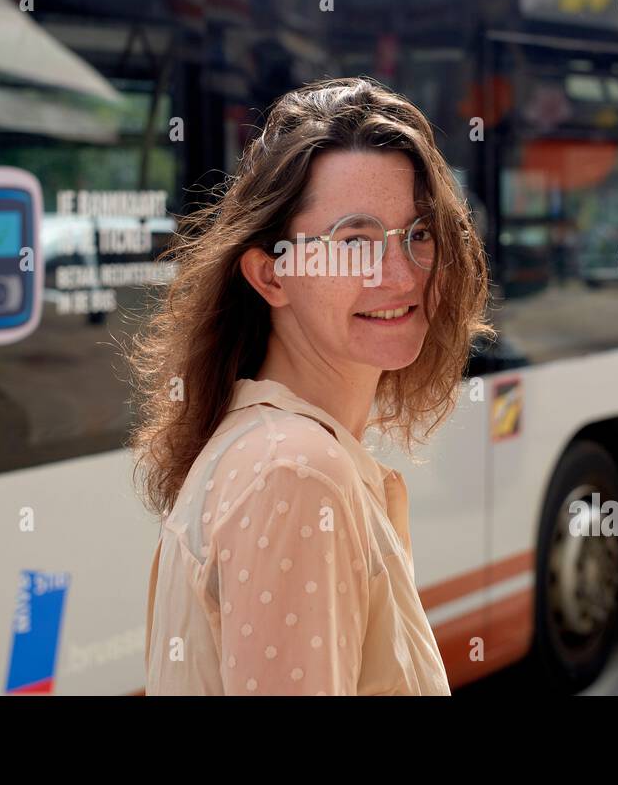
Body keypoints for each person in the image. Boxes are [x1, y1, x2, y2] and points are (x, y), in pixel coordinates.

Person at [133, 76, 491, 695]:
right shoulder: (297, 475)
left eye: (419, 234)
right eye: (354, 243)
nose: (401, 273)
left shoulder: (267, 450)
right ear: (271, 277)